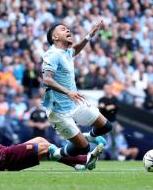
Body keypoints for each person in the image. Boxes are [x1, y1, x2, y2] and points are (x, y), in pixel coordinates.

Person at [41, 21, 113, 170]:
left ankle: (89, 136)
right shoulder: (52, 54)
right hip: (58, 111)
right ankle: (57, 153)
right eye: (63, 29)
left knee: (106, 126)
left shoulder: (66, 52)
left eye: (67, 28)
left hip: (74, 103)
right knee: (84, 148)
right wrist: (68, 92)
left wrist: (88, 36)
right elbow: (47, 79)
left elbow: (75, 50)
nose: (67, 30)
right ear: (55, 37)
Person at [0, 106, 101, 172]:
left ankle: (79, 163)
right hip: (3, 158)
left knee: (40, 140)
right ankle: (83, 159)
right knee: (46, 147)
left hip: (4, 154)